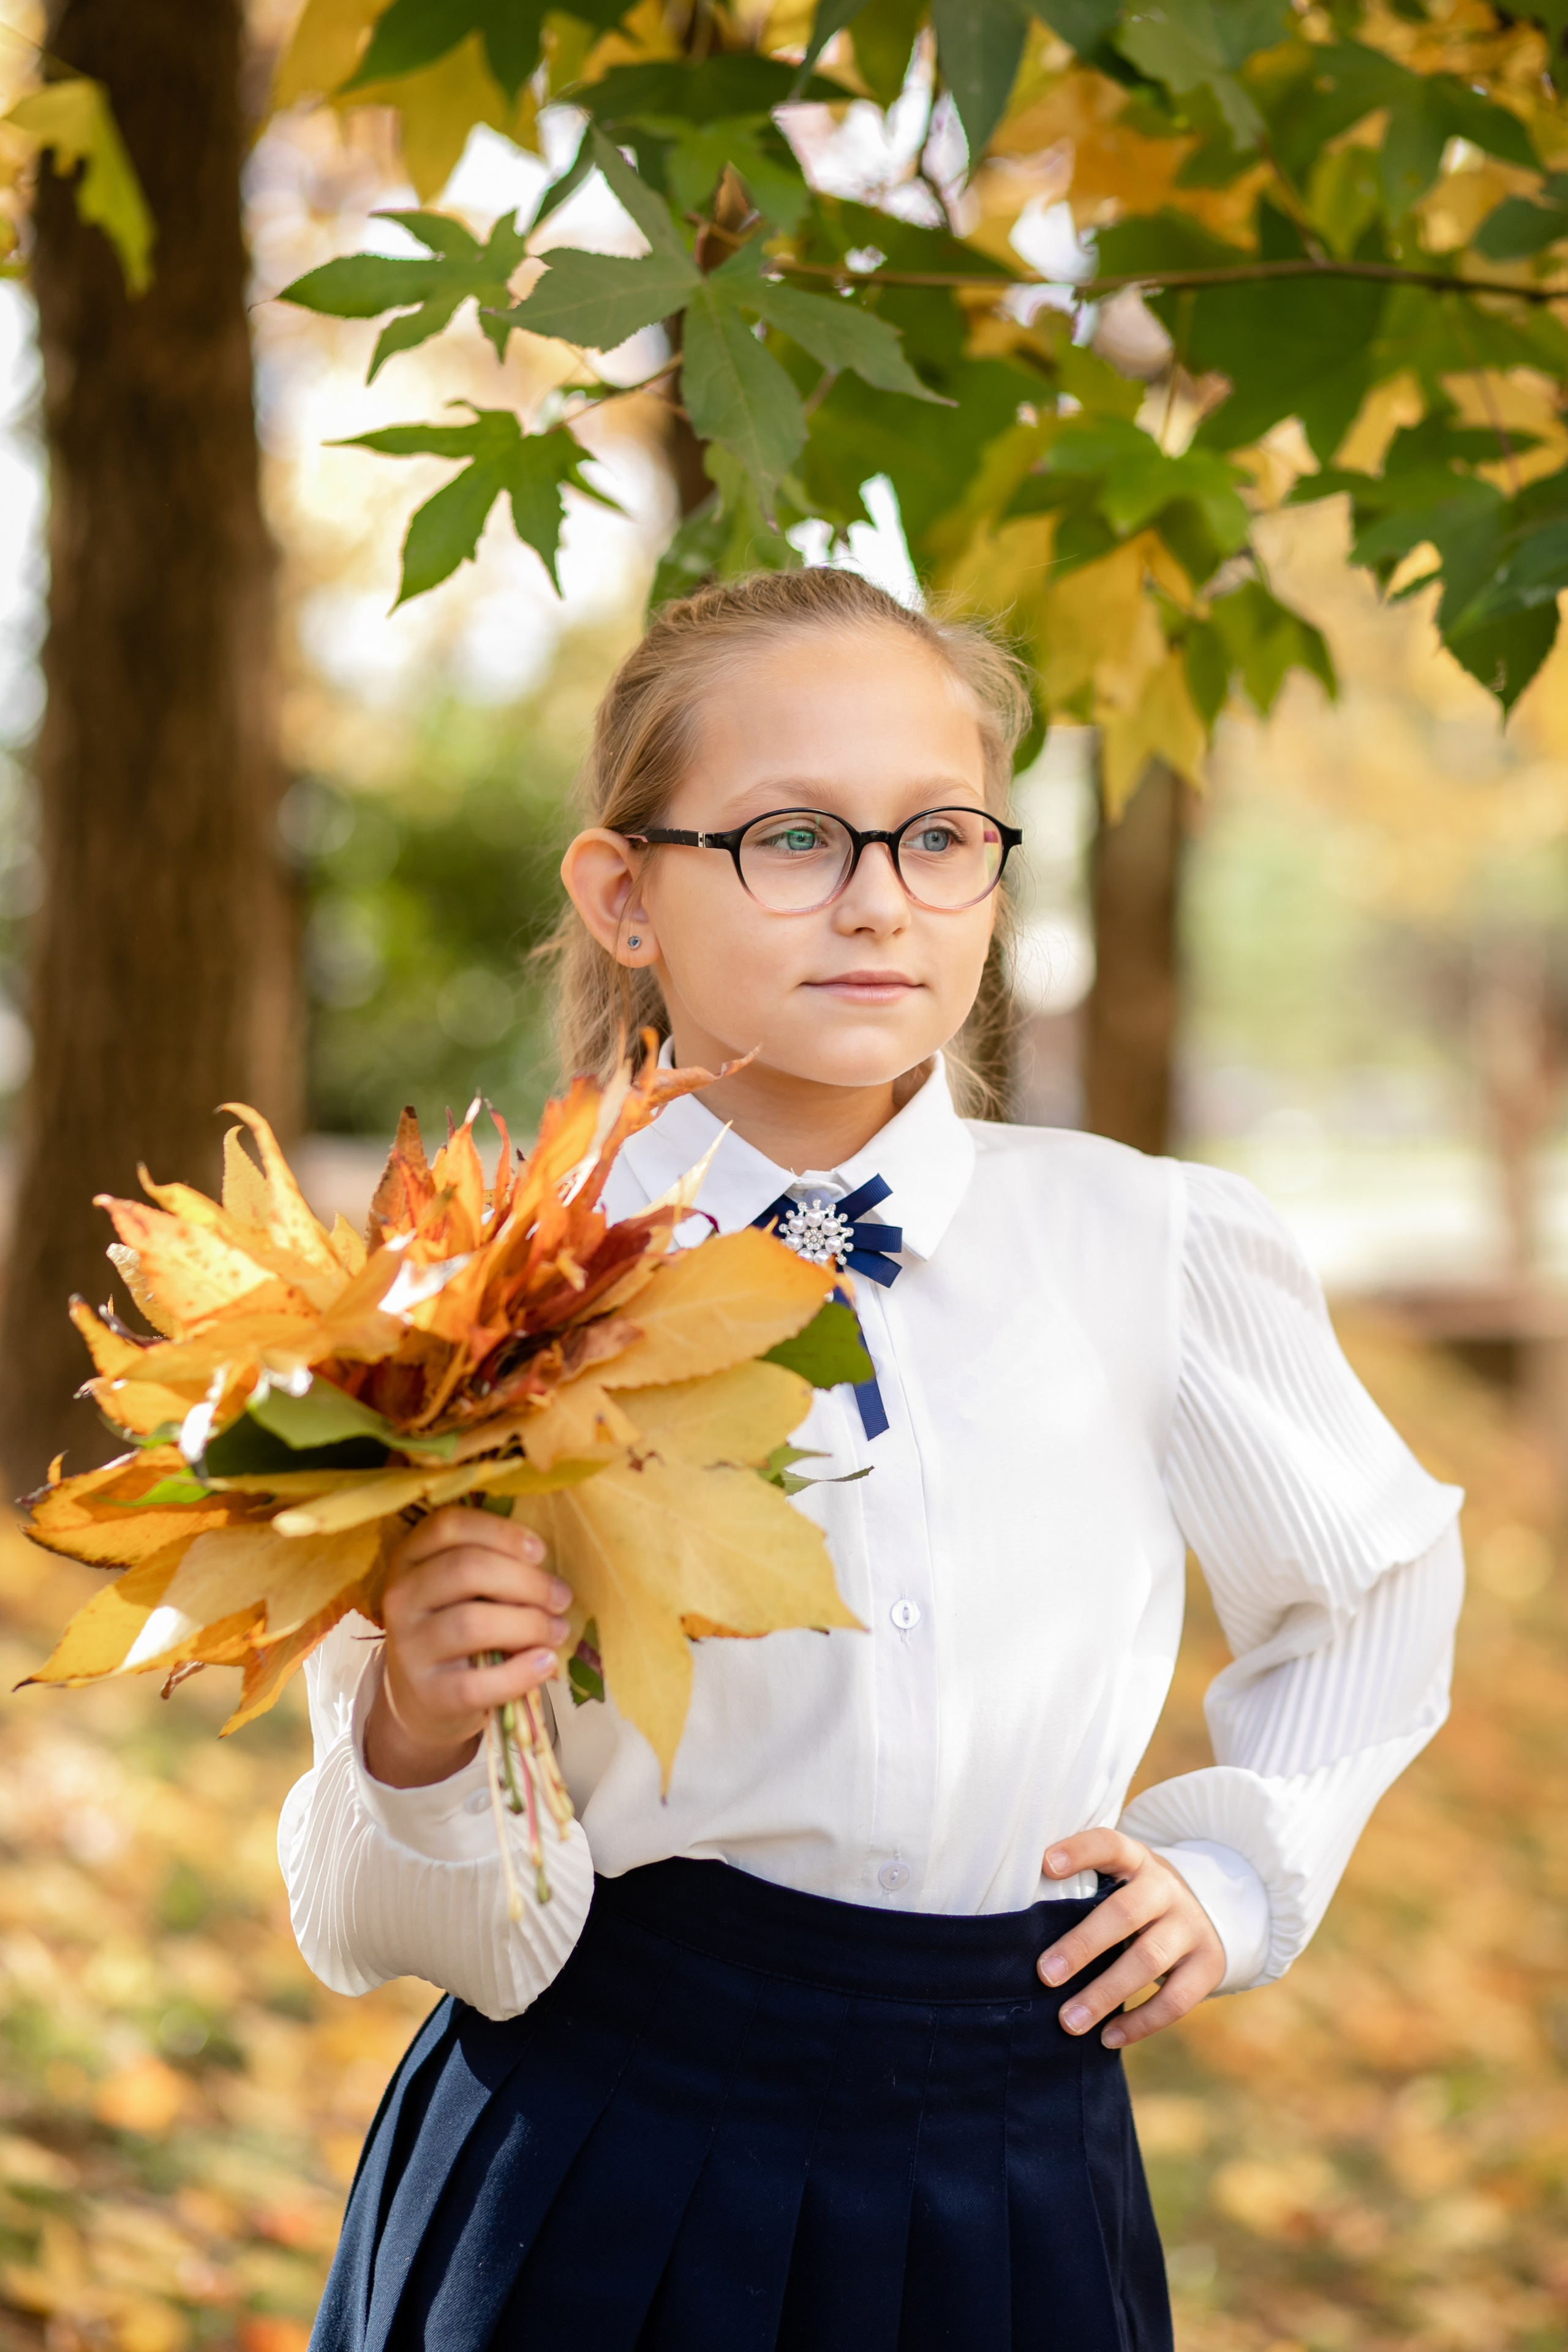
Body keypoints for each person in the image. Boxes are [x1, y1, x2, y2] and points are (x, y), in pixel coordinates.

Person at [287, 569, 1464, 2352]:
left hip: (1017, 2162)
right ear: (624, 895)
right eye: (790, 837)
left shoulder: (1147, 1246)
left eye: (937, 837)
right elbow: (382, 1919)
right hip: (604, 2160)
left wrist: (1241, 1871)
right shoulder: (483, 1299)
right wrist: (423, 1729)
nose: (878, 904)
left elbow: (1373, 1581)